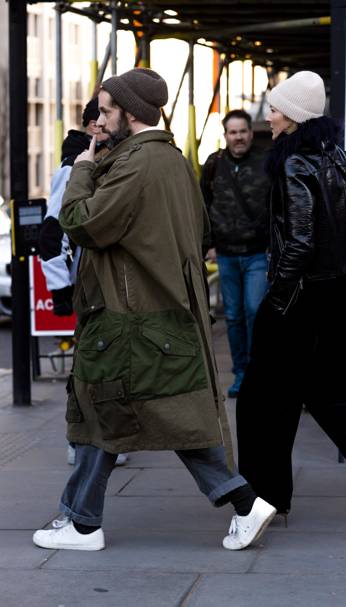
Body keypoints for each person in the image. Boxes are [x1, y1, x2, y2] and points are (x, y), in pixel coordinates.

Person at [32, 68, 276, 552]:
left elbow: (82, 222)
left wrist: (83, 168)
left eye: (105, 110)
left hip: (129, 317)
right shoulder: (171, 160)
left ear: (131, 113)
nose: (97, 121)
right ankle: (242, 503)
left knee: (108, 413)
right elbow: (200, 231)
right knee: (159, 416)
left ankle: (83, 525)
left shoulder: (137, 165)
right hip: (154, 313)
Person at [236, 71, 346, 526]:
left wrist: (277, 299)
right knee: (340, 395)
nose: (267, 116)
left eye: (274, 108)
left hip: (298, 300)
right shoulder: (343, 158)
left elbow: (300, 241)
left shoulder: (293, 163)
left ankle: (265, 499)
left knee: (261, 402)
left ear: (293, 115)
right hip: (337, 296)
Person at [38, 98, 128, 468]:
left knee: (108, 363)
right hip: (89, 288)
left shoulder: (103, 161)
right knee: (92, 367)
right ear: (95, 125)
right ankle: (82, 440)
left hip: (106, 283)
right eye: (108, 115)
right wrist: (60, 290)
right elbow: (51, 235)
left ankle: (103, 438)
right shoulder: (73, 168)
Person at [200, 110, 270, 398]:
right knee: (233, 316)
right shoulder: (214, 164)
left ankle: (258, 372)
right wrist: (208, 245)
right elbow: (202, 205)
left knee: (255, 311)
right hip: (226, 254)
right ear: (225, 135)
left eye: (243, 131)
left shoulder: (266, 162)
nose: (238, 137)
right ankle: (241, 373)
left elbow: (278, 204)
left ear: (251, 134)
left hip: (257, 253)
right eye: (233, 132)